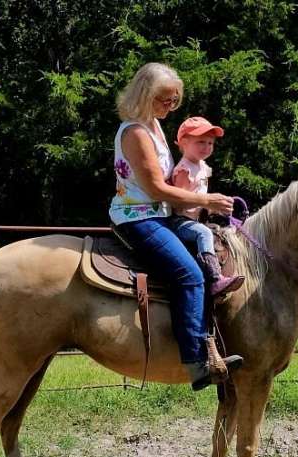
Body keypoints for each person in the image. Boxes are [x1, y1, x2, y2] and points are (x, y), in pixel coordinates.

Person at [108, 62, 242, 391]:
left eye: (174, 101)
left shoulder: (153, 125)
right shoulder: (136, 133)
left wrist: (194, 193)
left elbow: (167, 180)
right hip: (137, 217)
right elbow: (154, 189)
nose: (170, 107)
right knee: (190, 275)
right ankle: (197, 362)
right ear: (144, 94)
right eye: (164, 100)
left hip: (159, 213)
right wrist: (207, 201)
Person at [170, 116, 245, 296]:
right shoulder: (184, 170)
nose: (207, 147)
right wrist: (208, 202)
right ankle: (214, 277)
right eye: (201, 142)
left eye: (210, 143)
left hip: (194, 219)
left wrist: (215, 207)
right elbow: (178, 200)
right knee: (203, 233)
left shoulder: (202, 166)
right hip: (179, 221)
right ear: (183, 143)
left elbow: (201, 198)